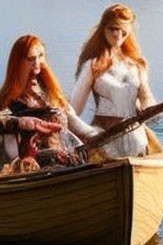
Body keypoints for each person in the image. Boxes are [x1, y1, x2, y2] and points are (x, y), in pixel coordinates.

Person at [71, 4, 163, 159]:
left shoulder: (138, 65)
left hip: (135, 137)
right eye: (113, 29)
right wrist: (86, 134)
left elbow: (147, 104)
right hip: (104, 139)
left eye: (123, 31)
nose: (118, 35)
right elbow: (75, 109)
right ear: (103, 29)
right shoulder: (93, 65)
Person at [0, 34, 100, 167]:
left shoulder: (53, 96)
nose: (37, 64)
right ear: (17, 64)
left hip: (63, 163)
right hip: (31, 167)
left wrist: (99, 134)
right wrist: (23, 123)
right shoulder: (8, 101)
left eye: (41, 56)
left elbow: (76, 124)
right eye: (31, 59)